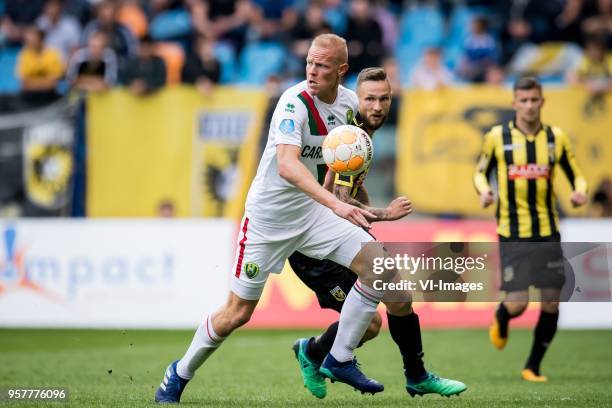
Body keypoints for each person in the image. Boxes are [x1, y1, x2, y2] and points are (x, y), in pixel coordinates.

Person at [154, 33, 435, 404]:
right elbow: (287, 167)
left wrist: (363, 207)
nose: (313, 70)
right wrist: (336, 205)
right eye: (309, 63)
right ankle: (178, 373)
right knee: (237, 313)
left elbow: (350, 166)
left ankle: (338, 358)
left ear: (341, 70)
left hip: (315, 215)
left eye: (322, 65)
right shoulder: (293, 102)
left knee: (380, 268)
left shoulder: (350, 107)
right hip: (269, 220)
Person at [290, 67, 467, 399]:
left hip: (339, 237)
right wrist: (386, 214)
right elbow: (338, 198)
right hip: (312, 244)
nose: (377, 106)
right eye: (369, 98)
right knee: (374, 322)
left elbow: (352, 185)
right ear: (356, 98)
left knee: (395, 303)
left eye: (384, 98)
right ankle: (315, 354)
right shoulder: (350, 134)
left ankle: (414, 376)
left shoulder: (361, 133)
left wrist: (367, 208)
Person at [473, 76, 588, 382]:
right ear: (514, 104)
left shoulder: (556, 138)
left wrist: (580, 191)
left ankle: (533, 366)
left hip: (548, 230)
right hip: (512, 232)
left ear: (542, 102)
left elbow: (576, 174)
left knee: (551, 301)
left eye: (534, 100)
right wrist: (484, 192)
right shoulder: (497, 137)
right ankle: (502, 314)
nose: (529, 106)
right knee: (519, 303)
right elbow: (480, 173)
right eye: (523, 100)